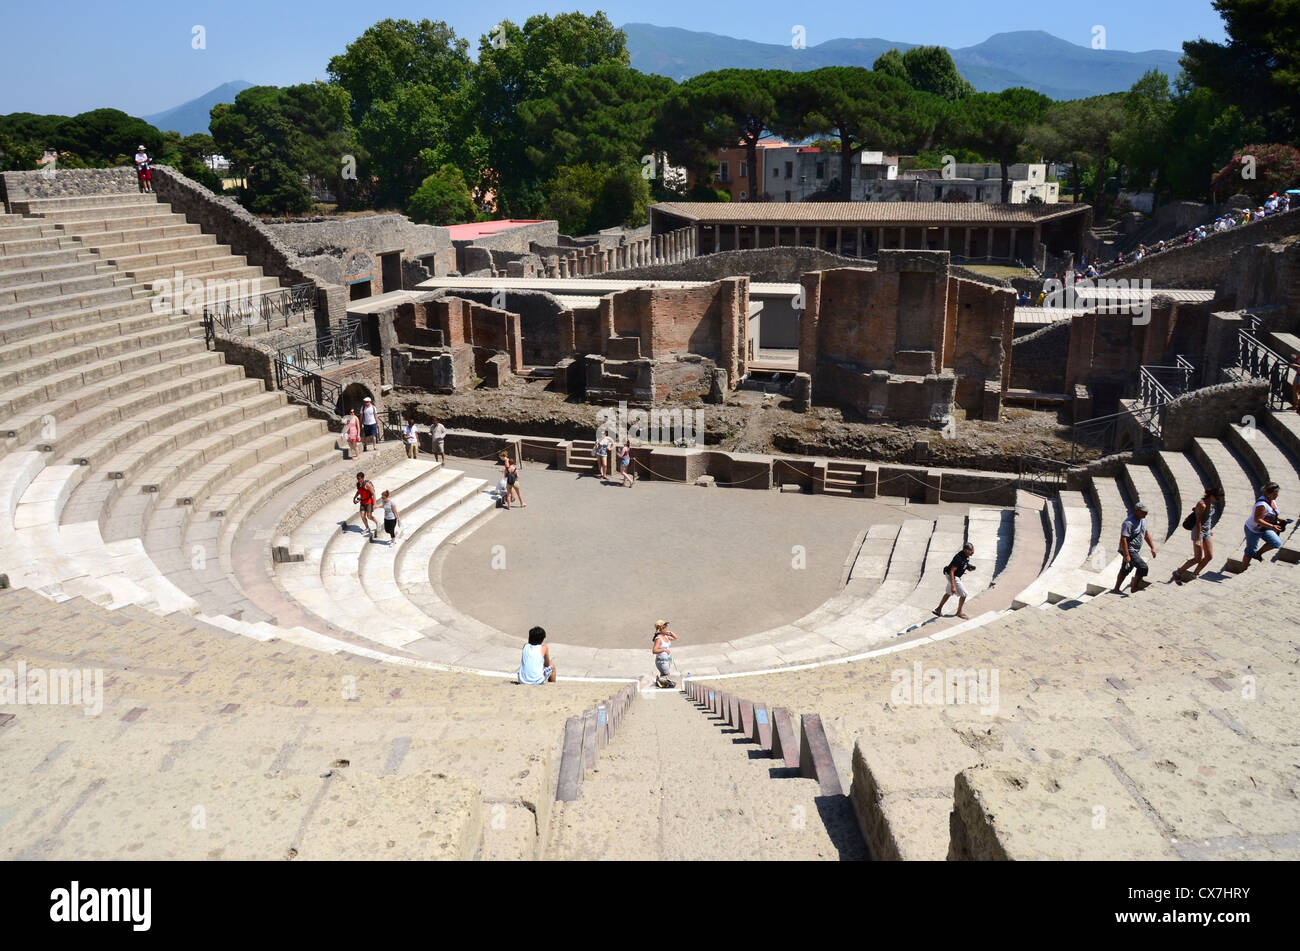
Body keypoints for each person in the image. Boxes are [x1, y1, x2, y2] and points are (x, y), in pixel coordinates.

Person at [1173, 486, 1224, 584]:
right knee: (1197, 558)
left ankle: (1194, 574)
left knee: (1209, 556)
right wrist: (1198, 539)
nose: (1218, 501)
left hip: (1207, 531)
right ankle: (1178, 572)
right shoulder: (1203, 504)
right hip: (1198, 532)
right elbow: (1198, 522)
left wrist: (1209, 529)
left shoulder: (1211, 504)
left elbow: (1207, 518)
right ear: (1212, 495)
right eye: (1217, 498)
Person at [1112, 501, 1157, 594]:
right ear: (1137, 511)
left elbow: (1146, 534)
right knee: (1143, 567)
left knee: (1126, 569)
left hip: (1135, 550)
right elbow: (1123, 539)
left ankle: (1116, 588)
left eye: (1146, 512)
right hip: (1129, 549)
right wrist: (1127, 555)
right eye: (1143, 512)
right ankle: (1134, 586)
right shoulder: (1128, 523)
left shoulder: (1143, 520)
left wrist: (1152, 547)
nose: (1146, 514)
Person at [1241, 482, 1287, 569]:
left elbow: (1270, 514)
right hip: (1253, 530)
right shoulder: (1261, 505)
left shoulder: (1272, 501)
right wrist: (1272, 527)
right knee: (1250, 552)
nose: (1276, 495)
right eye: (1274, 493)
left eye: (1277, 493)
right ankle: (1242, 570)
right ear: (1267, 493)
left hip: (1264, 528)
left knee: (1276, 543)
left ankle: (1258, 554)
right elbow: (1258, 519)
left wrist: (1280, 520)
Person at [933, 542, 975, 619]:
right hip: (953, 576)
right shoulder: (958, 558)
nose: (972, 553)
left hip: (952, 575)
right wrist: (953, 586)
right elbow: (952, 571)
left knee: (948, 593)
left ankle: (938, 609)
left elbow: (964, 564)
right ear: (966, 550)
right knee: (964, 594)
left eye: (973, 551)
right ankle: (959, 612)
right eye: (971, 552)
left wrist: (969, 568)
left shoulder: (966, 556)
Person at [652, 620, 677, 688]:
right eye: (665, 628)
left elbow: (675, 637)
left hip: (666, 660)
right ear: (661, 629)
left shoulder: (665, 636)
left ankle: (659, 683)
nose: (667, 629)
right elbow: (654, 651)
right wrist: (664, 649)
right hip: (661, 661)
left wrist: (670, 632)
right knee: (667, 675)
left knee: (664, 676)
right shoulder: (659, 639)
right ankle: (659, 683)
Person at [353, 471, 378, 538]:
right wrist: (355, 497)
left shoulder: (367, 485)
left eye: (359, 478)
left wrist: (375, 504)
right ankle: (367, 528)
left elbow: (373, 493)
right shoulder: (358, 484)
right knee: (362, 516)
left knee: (369, 516)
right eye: (357, 478)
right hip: (362, 502)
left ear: (363, 478)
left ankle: (377, 523)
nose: (358, 480)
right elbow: (359, 491)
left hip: (369, 502)